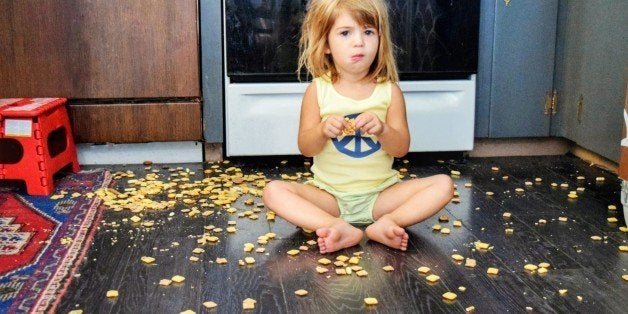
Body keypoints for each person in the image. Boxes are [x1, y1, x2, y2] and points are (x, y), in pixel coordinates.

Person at [263, 0, 453, 254]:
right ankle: (335, 226)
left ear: (380, 39)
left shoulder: (389, 92)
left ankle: (388, 223)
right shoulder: (318, 90)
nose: (359, 42)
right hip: (329, 196)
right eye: (345, 33)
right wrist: (321, 131)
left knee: (443, 184)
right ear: (327, 45)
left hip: (381, 196)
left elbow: (400, 149)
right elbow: (306, 148)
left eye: (368, 32)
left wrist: (383, 130)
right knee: (273, 191)